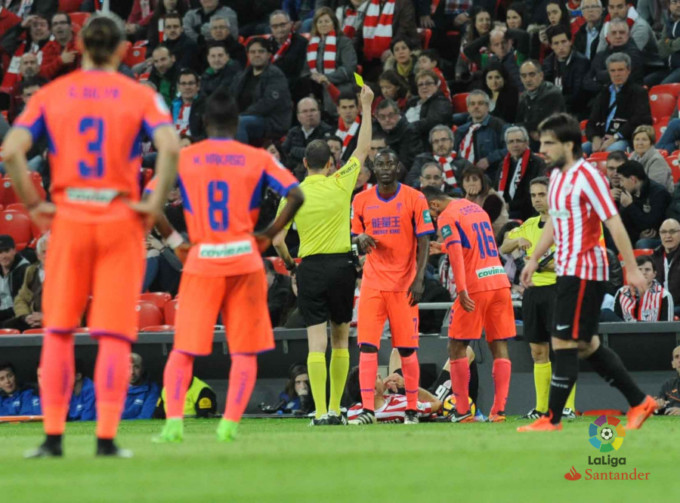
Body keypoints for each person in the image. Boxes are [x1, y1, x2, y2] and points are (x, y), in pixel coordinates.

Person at [2, 13, 180, 458]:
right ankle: (105, 439)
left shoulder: (51, 93)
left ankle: (54, 438)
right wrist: (152, 205)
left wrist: (37, 206)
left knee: (59, 332)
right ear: (122, 49)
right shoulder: (138, 93)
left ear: (80, 44)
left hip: (70, 221)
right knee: (116, 336)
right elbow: (171, 146)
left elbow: (11, 150)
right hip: (119, 219)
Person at [153, 89, 304, 444]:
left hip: (202, 260)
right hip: (244, 259)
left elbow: (151, 200)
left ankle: (173, 423)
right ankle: (229, 425)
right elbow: (296, 194)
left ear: (204, 123)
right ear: (237, 124)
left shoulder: (184, 156)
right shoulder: (256, 158)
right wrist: (270, 233)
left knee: (184, 349)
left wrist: (176, 242)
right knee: (244, 350)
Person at [518, 113, 658, 432]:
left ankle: (551, 419)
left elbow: (613, 222)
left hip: (585, 269)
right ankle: (639, 401)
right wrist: (533, 258)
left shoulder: (587, 176)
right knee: (586, 345)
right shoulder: (556, 177)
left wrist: (631, 269)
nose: (543, 149)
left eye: (549, 143)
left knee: (563, 340)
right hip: (565, 270)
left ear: (569, 144)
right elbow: (555, 220)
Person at [273, 86, 374, 426]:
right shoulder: (340, 183)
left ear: (304, 163)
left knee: (316, 343)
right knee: (342, 340)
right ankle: (335, 409)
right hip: (343, 266)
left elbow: (276, 240)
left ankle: (317, 412)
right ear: (331, 163)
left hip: (311, 267)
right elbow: (362, 148)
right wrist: (366, 106)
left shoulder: (293, 194)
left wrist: (290, 264)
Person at [348, 148, 434, 425]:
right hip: (372, 285)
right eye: (380, 163)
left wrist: (419, 279)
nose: (385, 168)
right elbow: (352, 236)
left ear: (398, 168)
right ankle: (368, 410)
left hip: (404, 285)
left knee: (407, 349)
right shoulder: (361, 200)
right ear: (373, 168)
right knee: (367, 347)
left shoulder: (415, 197)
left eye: (390, 163)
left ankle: (411, 409)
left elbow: (424, 241)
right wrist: (358, 240)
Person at [423, 187, 515, 423]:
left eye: (430, 214)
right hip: (499, 281)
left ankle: (463, 411)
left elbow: (455, 253)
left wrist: (462, 289)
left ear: (434, 205)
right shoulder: (476, 208)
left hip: (475, 287)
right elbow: (479, 246)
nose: (433, 219)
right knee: (499, 345)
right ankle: (499, 411)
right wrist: (441, 246)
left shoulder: (446, 215)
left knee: (455, 346)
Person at [500, 177, 577, 420]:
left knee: (562, 350)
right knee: (537, 351)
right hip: (533, 294)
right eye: (534, 195)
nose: (537, 199)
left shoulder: (567, 225)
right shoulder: (529, 224)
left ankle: (567, 407)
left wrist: (547, 266)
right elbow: (503, 247)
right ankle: (541, 407)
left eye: (542, 194)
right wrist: (516, 241)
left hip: (559, 291)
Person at [585, 53, 652, 155]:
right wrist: (595, 138)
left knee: (611, 151)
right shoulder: (604, 92)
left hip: (625, 139)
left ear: (628, 71)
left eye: (620, 70)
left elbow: (639, 120)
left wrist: (615, 137)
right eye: (613, 71)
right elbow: (592, 121)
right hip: (602, 138)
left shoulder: (638, 92)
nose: (617, 74)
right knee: (577, 151)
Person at [231, 37, 292, 146]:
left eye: (261, 51)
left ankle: (243, 159)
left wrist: (242, 115)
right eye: (253, 52)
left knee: (239, 122)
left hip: (271, 121)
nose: (257, 55)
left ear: (269, 55)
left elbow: (267, 103)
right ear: (248, 55)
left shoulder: (275, 75)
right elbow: (231, 98)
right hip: (246, 118)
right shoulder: (242, 75)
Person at [345, 365, 441, 423]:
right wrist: (407, 385)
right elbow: (437, 403)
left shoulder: (353, 412)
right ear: (372, 391)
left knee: (396, 374)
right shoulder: (403, 406)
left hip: (385, 399)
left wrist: (381, 389)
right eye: (376, 377)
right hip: (436, 404)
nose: (380, 375)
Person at [454, 90, 508, 182]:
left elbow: (510, 148)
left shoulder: (498, 125)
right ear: (468, 108)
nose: (476, 107)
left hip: (491, 177)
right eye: (472, 104)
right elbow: (453, 153)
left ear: (488, 107)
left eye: (480, 103)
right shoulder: (461, 130)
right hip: (463, 178)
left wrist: (489, 160)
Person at [616, 160, 670, 249]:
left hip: (661, 237)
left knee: (642, 243)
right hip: (638, 236)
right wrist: (638, 235)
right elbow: (625, 225)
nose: (621, 184)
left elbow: (650, 226)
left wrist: (630, 206)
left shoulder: (658, 193)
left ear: (633, 179)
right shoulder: (628, 194)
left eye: (622, 180)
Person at [497, 126, 546, 222]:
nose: (515, 145)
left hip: (528, 213)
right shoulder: (503, 164)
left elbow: (534, 193)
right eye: (511, 142)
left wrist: (510, 206)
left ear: (527, 142)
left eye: (518, 141)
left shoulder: (537, 163)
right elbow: (496, 189)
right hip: (506, 212)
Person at [542, 25, 590, 119]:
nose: (561, 47)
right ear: (551, 46)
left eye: (563, 42)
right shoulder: (548, 62)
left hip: (574, 110)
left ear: (570, 42)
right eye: (556, 43)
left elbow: (578, 95)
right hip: (552, 108)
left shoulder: (581, 62)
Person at [584, 19, 646, 91]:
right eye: (614, 33)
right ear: (608, 37)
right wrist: (602, 88)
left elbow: (615, 76)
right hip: (602, 94)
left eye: (622, 32)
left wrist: (598, 76)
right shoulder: (601, 54)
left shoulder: (634, 54)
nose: (618, 36)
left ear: (628, 35)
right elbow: (587, 80)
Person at [3, 233, 47, 332]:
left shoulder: (68, 275)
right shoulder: (32, 271)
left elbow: (73, 308)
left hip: (58, 322)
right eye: (44, 252)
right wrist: (26, 316)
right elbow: (21, 299)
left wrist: (46, 318)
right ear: (38, 255)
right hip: (32, 319)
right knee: (6, 327)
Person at [516, 60, 565, 149]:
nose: (528, 79)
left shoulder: (552, 94)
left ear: (541, 75)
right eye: (524, 76)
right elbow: (518, 123)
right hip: (531, 140)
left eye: (532, 74)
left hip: (553, 141)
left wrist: (528, 128)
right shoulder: (523, 97)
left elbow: (547, 123)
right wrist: (530, 129)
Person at [407, 124, 469, 190]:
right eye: (436, 141)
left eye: (444, 140)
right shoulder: (422, 160)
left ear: (452, 142)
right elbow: (410, 181)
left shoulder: (463, 164)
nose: (440, 144)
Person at [613, 255, 673, 322]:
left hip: (652, 332)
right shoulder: (621, 292)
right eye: (639, 269)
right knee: (605, 313)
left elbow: (667, 328)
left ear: (654, 274)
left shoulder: (664, 295)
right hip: (625, 331)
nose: (643, 273)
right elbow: (615, 324)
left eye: (647, 270)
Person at [282, 97, 334, 174]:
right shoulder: (293, 132)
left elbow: (318, 154)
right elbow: (284, 152)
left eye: (312, 110)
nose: (309, 114)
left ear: (319, 112)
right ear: (298, 116)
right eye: (304, 111)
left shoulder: (328, 131)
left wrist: (294, 150)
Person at [403, 69, 453, 146]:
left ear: (436, 85)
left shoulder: (441, 101)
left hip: (426, 142)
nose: (424, 87)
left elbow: (432, 122)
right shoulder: (412, 102)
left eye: (428, 83)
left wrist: (407, 127)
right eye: (420, 84)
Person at [374, 98, 423, 170]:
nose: (387, 119)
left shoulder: (409, 131)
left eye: (390, 115)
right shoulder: (375, 130)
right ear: (377, 118)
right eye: (382, 117)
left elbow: (406, 163)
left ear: (397, 114)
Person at [462, 166, 509, 236]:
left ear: (482, 181)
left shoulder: (493, 198)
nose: (471, 183)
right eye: (467, 180)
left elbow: (479, 224)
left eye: (475, 180)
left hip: (495, 240)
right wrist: (468, 200)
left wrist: (468, 201)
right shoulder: (466, 198)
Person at [269, 10, 308, 90]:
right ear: (270, 28)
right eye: (275, 26)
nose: (279, 29)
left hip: (294, 87)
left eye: (282, 25)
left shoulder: (302, 43)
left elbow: (302, 73)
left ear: (290, 24)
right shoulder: (266, 45)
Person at [629, 125, 673, 193]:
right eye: (637, 139)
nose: (640, 143)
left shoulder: (657, 160)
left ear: (651, 142)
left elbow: (655, 189)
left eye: (644, 139)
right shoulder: (632, 157)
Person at [651, 219, 680, 317]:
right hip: (658, 305)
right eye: (663, 232)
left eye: (672, 232)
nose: (668, 236)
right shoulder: (654, 257)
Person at [39, 12, 80, 80]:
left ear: (70, 26)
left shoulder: (81, 44)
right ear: (51, 30)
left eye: (63, 23)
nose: (59, 26)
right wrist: (60, 61)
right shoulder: (48, 48)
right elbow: (43, 74)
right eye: (55, 24)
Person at [0, 234, 30, 325]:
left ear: (14, 250)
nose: (3, 256)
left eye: (6, 251)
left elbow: (24, 303)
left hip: (18, 314)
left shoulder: (25, 270)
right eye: (0, 252)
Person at [122, 353, 160, 420]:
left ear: (142, 369)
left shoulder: (152, 389)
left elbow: (145, 418)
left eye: (136, 367)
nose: (132, 372)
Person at [655, 345, 680, 415]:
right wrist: (657, 406)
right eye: (677, 357)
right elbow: (658, 410)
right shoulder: (668, 385)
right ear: (673, 364)